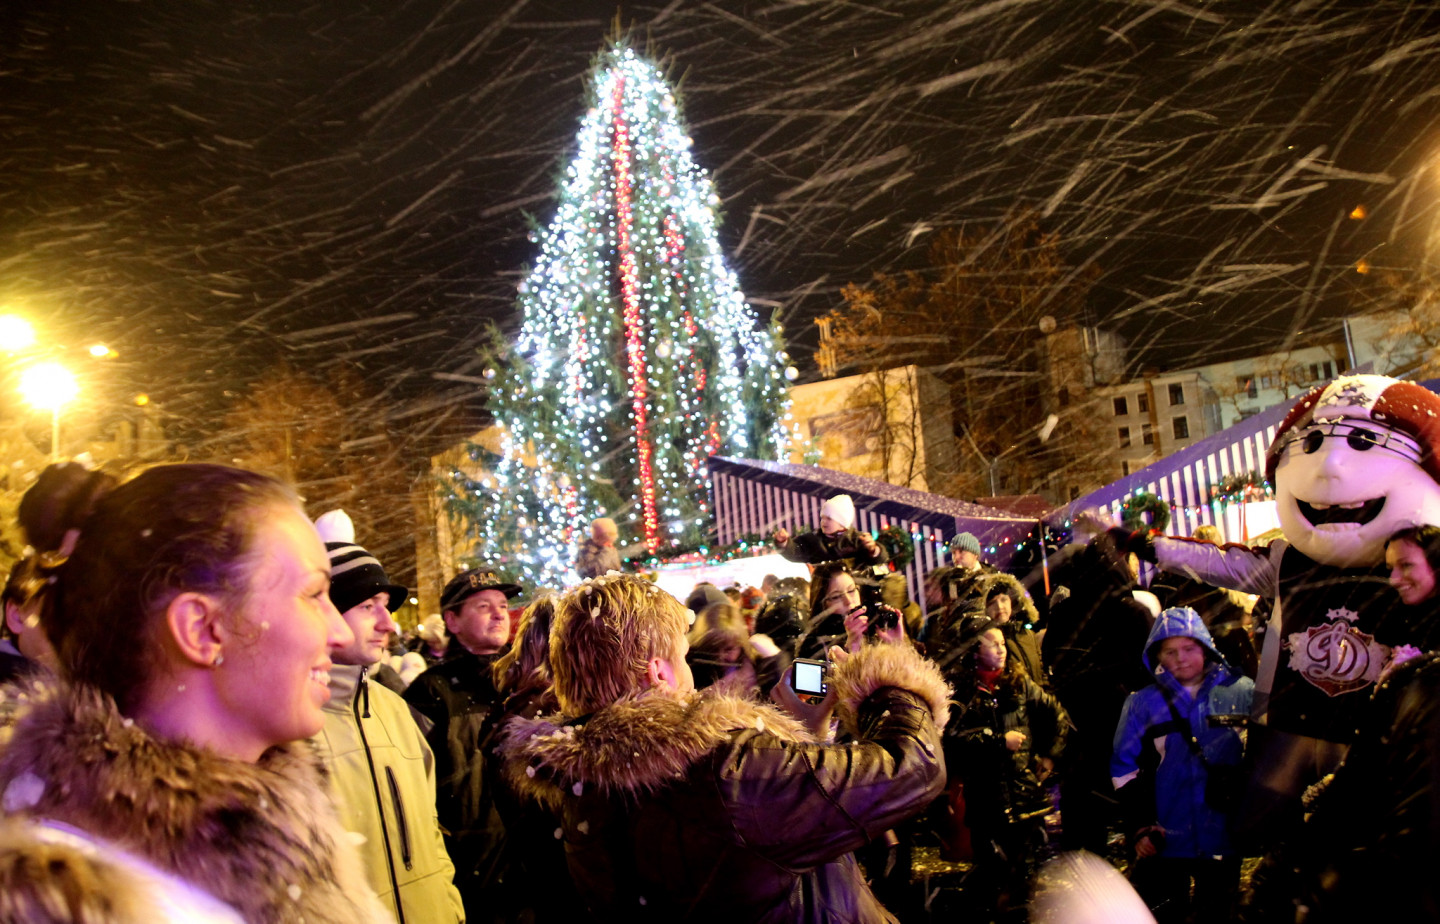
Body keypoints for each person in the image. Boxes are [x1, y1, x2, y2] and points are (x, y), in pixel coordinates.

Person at [0, 462, 389, 924]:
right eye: (313, 594)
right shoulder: (73, 903)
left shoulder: (289, 836)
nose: (340, 633)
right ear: (202, 629)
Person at [496, 572, 949, 921]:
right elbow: (913, 766)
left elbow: (744, 860)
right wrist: (884, 681)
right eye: (682, 656)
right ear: (658, 672)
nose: (691, 676)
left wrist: (799, 739)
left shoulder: (583, 780)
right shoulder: (721, 769)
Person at [311, 510, 465, 924]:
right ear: (326, 614)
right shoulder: (290, 725)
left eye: (386, 607)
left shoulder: (396, 710)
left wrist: (449, 909)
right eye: (367, 606)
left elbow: (430, 832)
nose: (388, 624)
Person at [1111, 606, 1254, 923]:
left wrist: (1253, 818)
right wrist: (1140, 827)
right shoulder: (1141, 703)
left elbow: (1262, 759)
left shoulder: (1242, 692)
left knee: (1217, 916)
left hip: (1223, 837)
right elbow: (1123, 769)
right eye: (1170, 651)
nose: (1181, 658)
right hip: (1166, 839)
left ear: (1205, 647)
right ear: (1158, 656)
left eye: (1189, 648)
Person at [404, 568, 521, 923]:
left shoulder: (528, 681)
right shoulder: (430, 692)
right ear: (452, 621)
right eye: (483, 606)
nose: (499, 614)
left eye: (502, 605)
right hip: (472, 871)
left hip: (532, 868)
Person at [942, 613, 1069, 918]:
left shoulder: (1019, 683)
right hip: (986, 801)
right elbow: (953, 741)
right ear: (974, 651)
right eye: (993, 644)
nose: (1001, 650)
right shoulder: (961, 692)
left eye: (1002, 643)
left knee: (1025, 877)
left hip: (1023, 796)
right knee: (993, 877)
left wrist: (1050, 755)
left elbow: (1057, 715)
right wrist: (998, 741)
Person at [799, 561, 905, 659]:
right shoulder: (814, 643)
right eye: (836, 597)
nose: (848, 601)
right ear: (823, 604)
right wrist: (852, 647)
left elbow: (897, 672)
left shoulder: (874, 625)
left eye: (851, 590)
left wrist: (896, 645)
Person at [773, 494, 888, 568]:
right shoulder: (813, 540)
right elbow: (796, 552)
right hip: (825, 592)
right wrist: (784, 543)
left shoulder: (857, 540)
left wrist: (873, 550)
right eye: (822, 518)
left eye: (829, 518)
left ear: (842, 522)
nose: (823, 522)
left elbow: (880, 559)